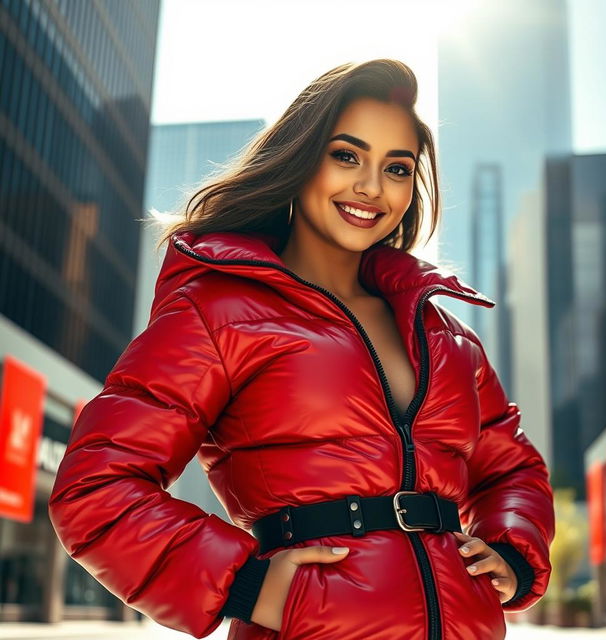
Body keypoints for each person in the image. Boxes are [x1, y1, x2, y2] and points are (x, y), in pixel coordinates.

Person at [48, 59, 555, 640]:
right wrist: (248, 585)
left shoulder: (444, 333)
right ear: (301, 157)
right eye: (347, 155)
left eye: (396, 167)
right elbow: (96, 486)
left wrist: (512, 556)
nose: (370, 186)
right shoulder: (217, 310)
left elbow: (513, 469)